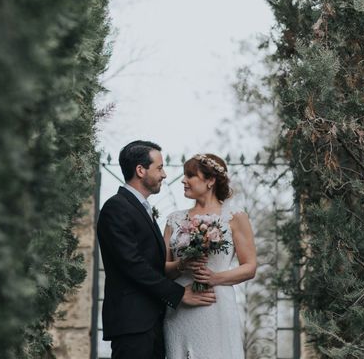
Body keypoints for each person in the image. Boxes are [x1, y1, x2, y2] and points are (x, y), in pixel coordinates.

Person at [97, 140, 217, 359]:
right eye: (159, 168)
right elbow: (133, 265)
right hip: (132, 325)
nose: (164, 175)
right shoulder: (116, 208)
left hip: (152, 321)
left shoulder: (140, 208)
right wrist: (179, 294)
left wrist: (182, 266)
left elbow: (152, 262)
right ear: (141, 170)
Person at [163, 153, 257, 359]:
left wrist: (215, 278)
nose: (183, 180)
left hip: (215, 304)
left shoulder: (234, 217)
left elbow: (250, 267)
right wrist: (182, 265)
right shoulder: (174, 219)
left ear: (210, 181)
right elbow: (162, 270)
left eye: (190, 175)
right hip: (180, 306)